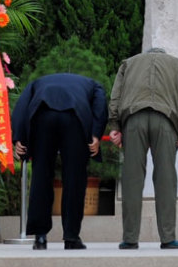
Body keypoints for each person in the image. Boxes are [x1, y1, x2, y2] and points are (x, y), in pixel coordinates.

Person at [107, 48, 178, 250]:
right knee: (166, 179)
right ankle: (168, 238)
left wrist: (115, 126)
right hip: (165, 121)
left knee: (132, 179)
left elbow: (116, 95)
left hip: (133, 120)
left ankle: (130, 238)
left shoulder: (128, 63)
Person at [12, 72, 107, 251]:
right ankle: (71, 237)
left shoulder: (38, 82)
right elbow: (100, 105)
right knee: (74, 178)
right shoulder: (93, 84)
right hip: (75, 118)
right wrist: (95, 134)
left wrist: (19, 138)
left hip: (42, 115)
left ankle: (40, 237)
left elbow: (22, 106)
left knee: (41, 174)